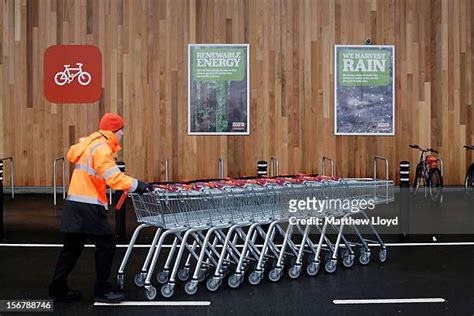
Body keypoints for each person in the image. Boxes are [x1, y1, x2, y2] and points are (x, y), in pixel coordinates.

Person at [48, 113, 151, 303]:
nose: (122, 134)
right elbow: (114, 178)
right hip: (89, 205)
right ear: (114, 131)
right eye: (122, 130)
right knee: (106, 244)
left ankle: (57, 287)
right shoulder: (102, 149)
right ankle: (102, 290)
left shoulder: (90, 144)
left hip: (75, 203)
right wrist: (139, 185)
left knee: (72, 247)